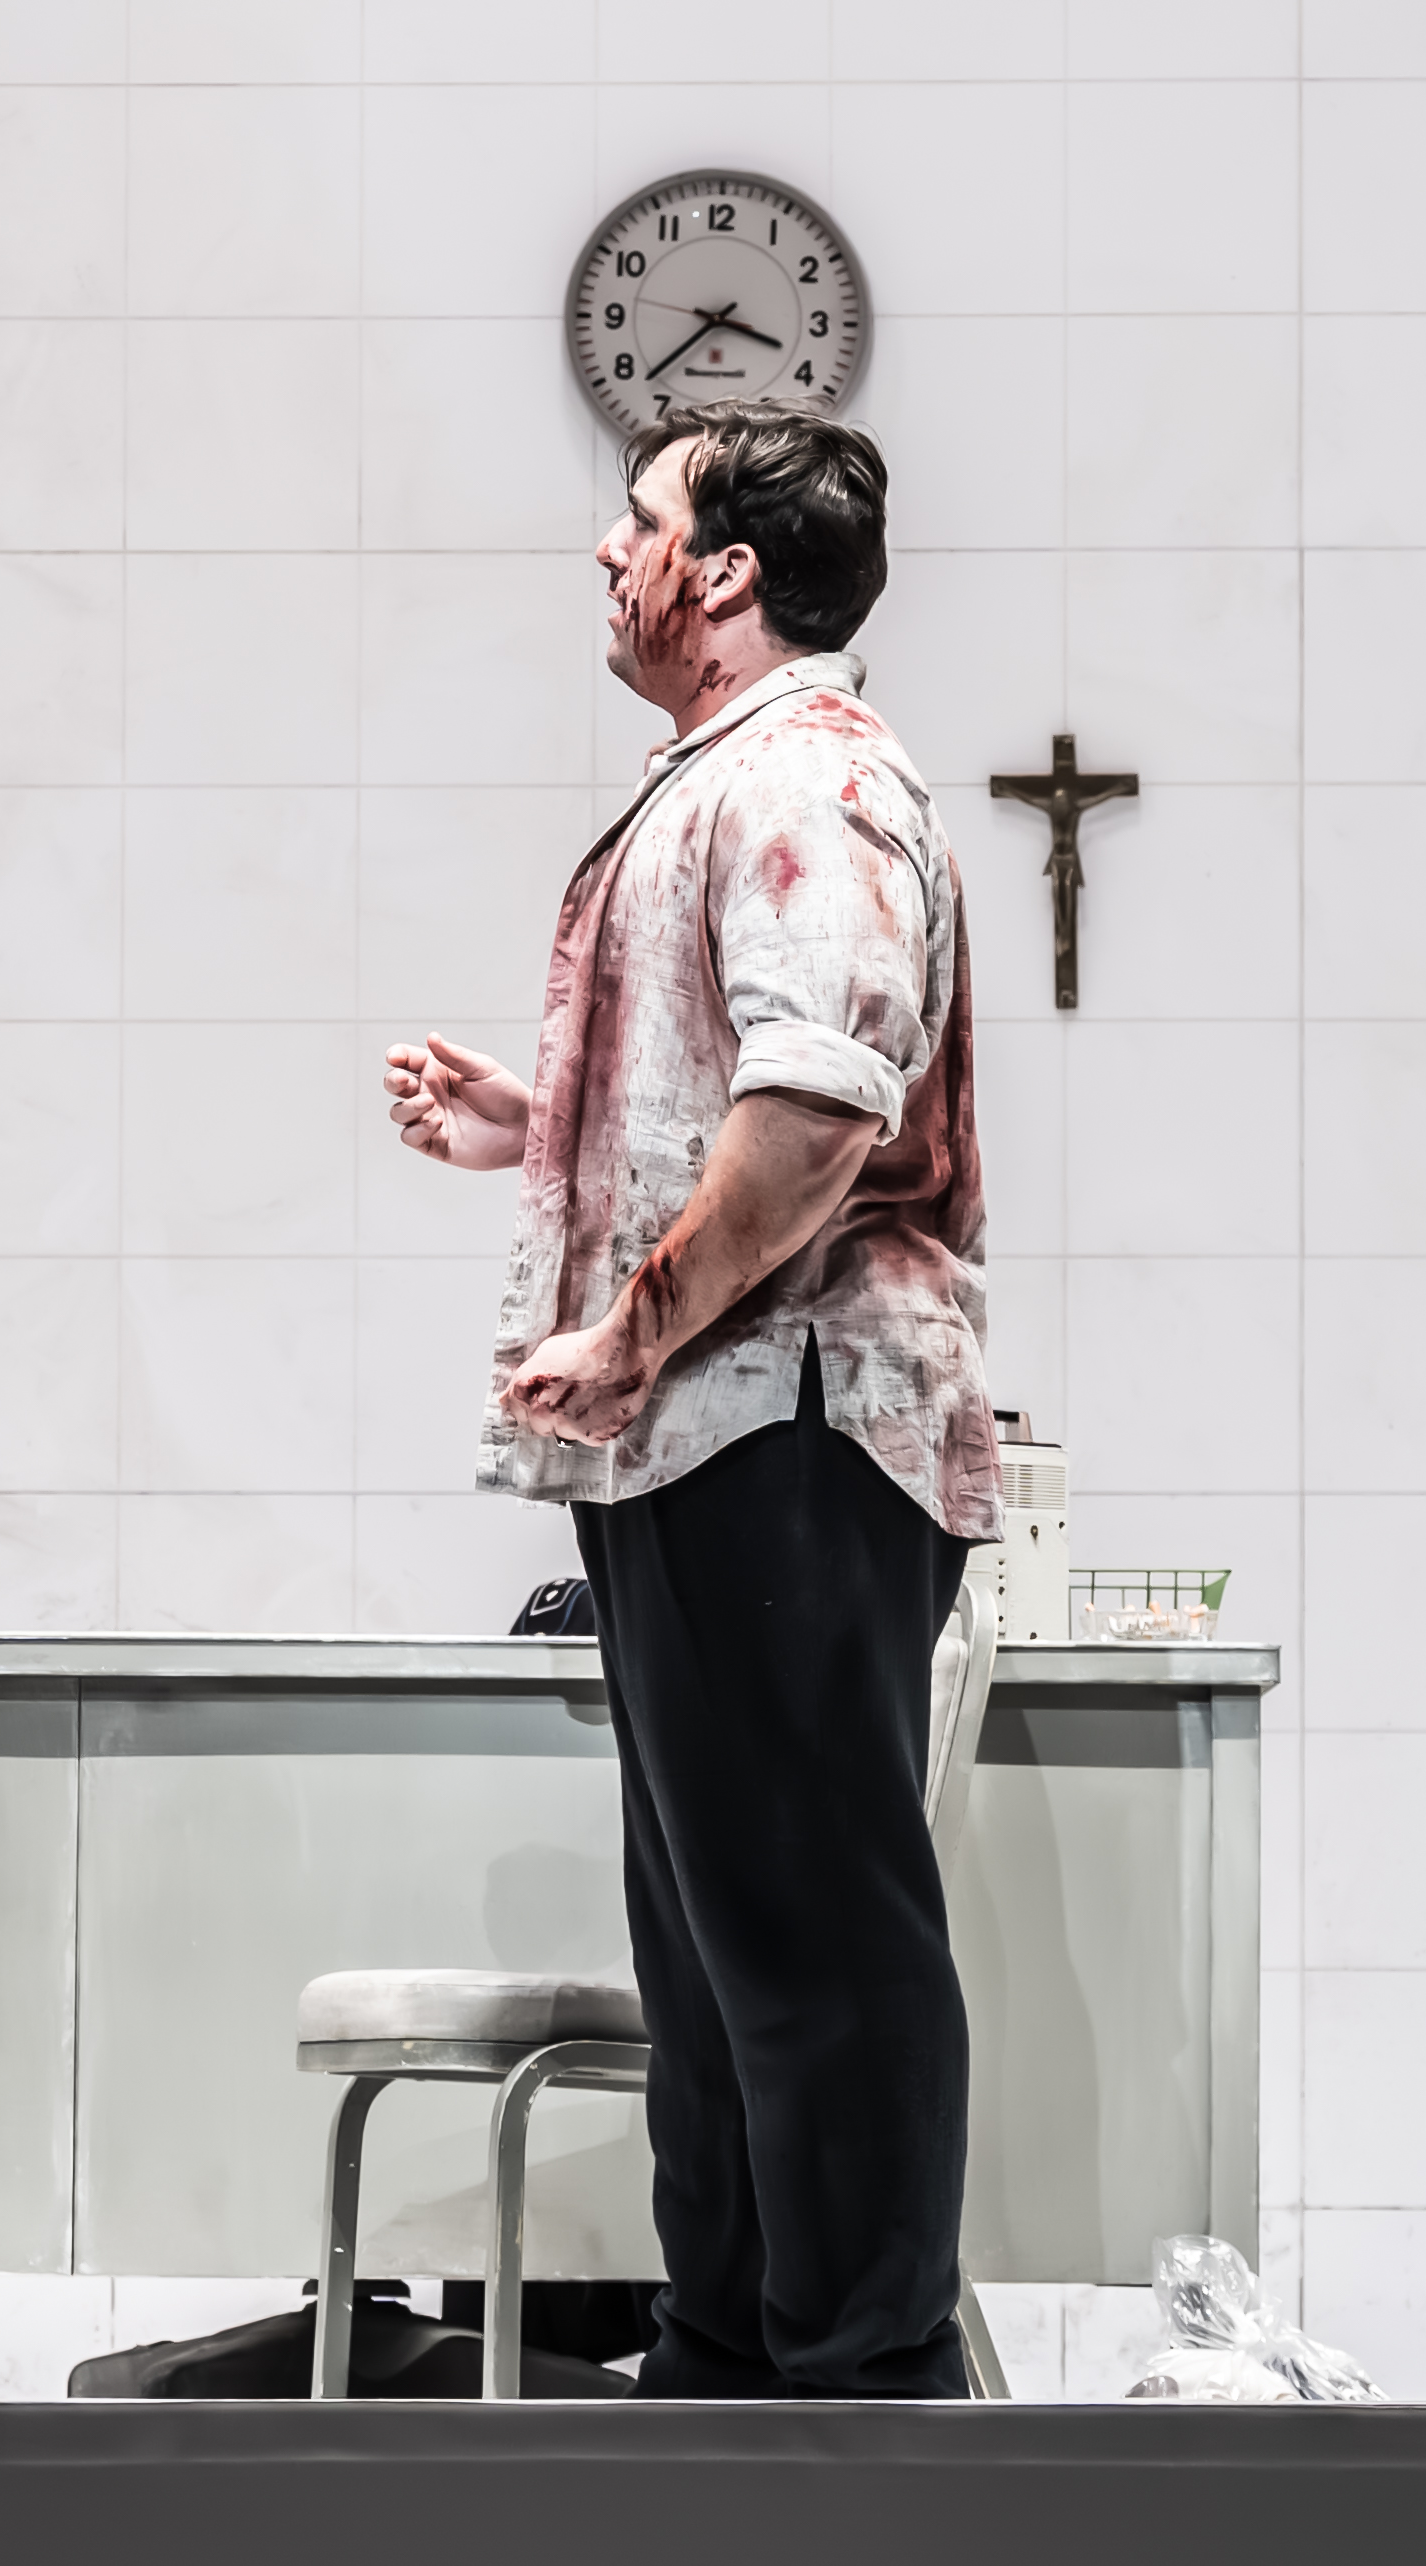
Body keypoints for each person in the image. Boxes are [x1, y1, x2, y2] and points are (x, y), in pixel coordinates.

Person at [381, 401, 991, 2401]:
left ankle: (860, 2385)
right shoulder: (726, 776)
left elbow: (814, 1119)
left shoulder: (806, 776)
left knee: (803, 1940)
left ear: (722, 572)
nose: (605, 551)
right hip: (713, 1435)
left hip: (782, 1425)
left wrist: (632, 1328)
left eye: (634, 519)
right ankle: (729, 2361)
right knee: (719, 1953)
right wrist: (531, 1127)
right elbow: (739, 1092)